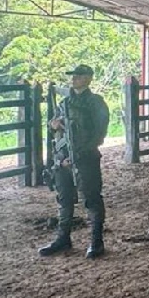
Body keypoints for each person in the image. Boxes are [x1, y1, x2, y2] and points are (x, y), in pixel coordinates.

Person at [39, 64, 112, 259]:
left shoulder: (96, 103)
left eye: (79, 76)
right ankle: (63, 238)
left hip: (85, 157)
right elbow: (54, 126)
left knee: (92, 198)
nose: (75, 79)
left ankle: (96, 241)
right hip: (62, 158)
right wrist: (54, 125)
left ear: (89, 78)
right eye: (73, 76)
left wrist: (78, 154)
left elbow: (99, 133)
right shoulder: (63, 102)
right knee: (64, 198)